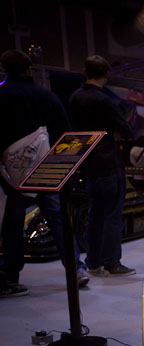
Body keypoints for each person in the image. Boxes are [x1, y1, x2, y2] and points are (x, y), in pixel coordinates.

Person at [0, 49, 88, 297]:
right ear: (29, 69)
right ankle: (75, 269)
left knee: (13, 224)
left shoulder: (2, 96)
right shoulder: (47, 96)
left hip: (13, 173)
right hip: (47, 170)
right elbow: (66, 134)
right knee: (59, 220)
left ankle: (10, 276)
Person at [68, 55, 135, 277]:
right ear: (106, 74)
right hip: (108, 162)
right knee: (112, 214)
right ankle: (112, 262)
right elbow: (126, 130)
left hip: (88, 163)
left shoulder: (75, 98)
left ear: (85, 72)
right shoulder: (105, 100)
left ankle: (93, 261)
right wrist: (115, 133)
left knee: (94, 213)